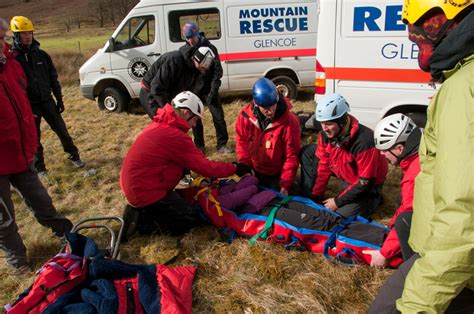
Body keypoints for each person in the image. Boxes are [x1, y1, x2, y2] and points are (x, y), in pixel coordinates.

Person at [369, 1, 474, 312]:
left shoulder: (462, 90)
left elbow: (462, 210)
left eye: (419, 36)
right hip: (442, 249)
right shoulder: (461, 80)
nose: (418, 48)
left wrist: (416, 304)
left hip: (448, 261)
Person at [120, 91, 250, 238]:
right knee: (189, 219)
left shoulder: (161, 123)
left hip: (139, 185)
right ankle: (142, 221)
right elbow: (205, 167)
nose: (195, 124)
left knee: (185, 205)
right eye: (196, 119)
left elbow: (178, 161)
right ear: (186, 112)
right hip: (145, 191)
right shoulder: (174, 135)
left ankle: (143, 210)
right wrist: (235, 168)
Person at [0, 18, 73, 272]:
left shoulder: (11, 66)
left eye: (2, 38)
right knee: (4, 219)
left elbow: (22, 106)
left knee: (41, 200)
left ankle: (67, 233)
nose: (2, 44)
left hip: (20, 155)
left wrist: (30, 145)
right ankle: (17, 261)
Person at [10, 16, 84, 176]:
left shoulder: (42, 55)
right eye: (23, 33)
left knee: (62, 131)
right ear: (16, 36)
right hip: (30, 105)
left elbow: (53, 78)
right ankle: (40, 167)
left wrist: (59, 99)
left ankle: (74, 155)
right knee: (34, 137)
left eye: (29, 32)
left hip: (47, 101)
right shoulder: (14, 60)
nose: (28, 36)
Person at [300, 93, 387, 218]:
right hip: (345, 170)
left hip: (366, 185)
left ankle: (374, 200)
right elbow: (323, 166)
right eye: (322, 123)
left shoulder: (365, 142)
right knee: (308, 152)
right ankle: (309, 194)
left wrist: (337, 202)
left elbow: (365, 182)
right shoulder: (325, 134)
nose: (324, 128)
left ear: (342, 121)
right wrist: (315, 196)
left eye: (329, 124)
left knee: (340, 216)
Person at [362, 113, 421, 268]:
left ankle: (411, 267)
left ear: (400, 148)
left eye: (384, 150)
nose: (381, 154)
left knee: (405, 221)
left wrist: (384, 254)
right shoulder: (419, 156)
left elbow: (408, 211)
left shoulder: (414, 176)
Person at [235, 78, 301, 196]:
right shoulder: (245, 117)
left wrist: (285, 183)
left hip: (277, 174)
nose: (270, 111)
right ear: (256, 104)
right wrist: (245, 168)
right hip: (254, 171)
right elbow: (242, 143)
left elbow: (291, 156)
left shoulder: (290, 122)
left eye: (272, 106)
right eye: (265, 108)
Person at [180, 22, 232, 154]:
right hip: (194, 91)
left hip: (209, 88)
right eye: (187, 38)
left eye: (192, 37)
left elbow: (217, 71)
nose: (190, 40)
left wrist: (214, 89)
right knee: (195, 119)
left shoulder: (210, 48)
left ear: (197, 34)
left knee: (218, 117)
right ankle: (199, 146)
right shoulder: (184, 50)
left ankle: (222, 145)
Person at [140, 45, 215, 119]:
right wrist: (171, 111)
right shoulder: (174, 60)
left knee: (179, 121)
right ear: (196, 59)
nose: (204, 71)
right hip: (151, 94)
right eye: (203, 66)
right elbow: (156, 89)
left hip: (168, 95)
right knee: (166, 122)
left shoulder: (196, 69)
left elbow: (190, 90)